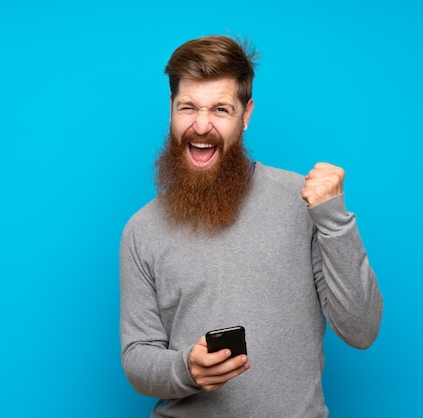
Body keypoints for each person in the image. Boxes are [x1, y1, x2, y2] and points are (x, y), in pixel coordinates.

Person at [119, 34, 383, 417]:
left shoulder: (303, 202)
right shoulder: (140, 230)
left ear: (246, 115)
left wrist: (335, 221)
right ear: (171, 112)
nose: (202, 125)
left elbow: (362, 330)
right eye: (188, 107)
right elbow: (137, 358)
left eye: (221, 110)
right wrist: (187, 369)